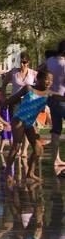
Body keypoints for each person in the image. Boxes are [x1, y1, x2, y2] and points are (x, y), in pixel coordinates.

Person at [45, 39, 65, 170]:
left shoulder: (50, 61)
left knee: (56, 130)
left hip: (52, 98)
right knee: (56, 129)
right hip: (63, 99)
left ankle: (55, 159)